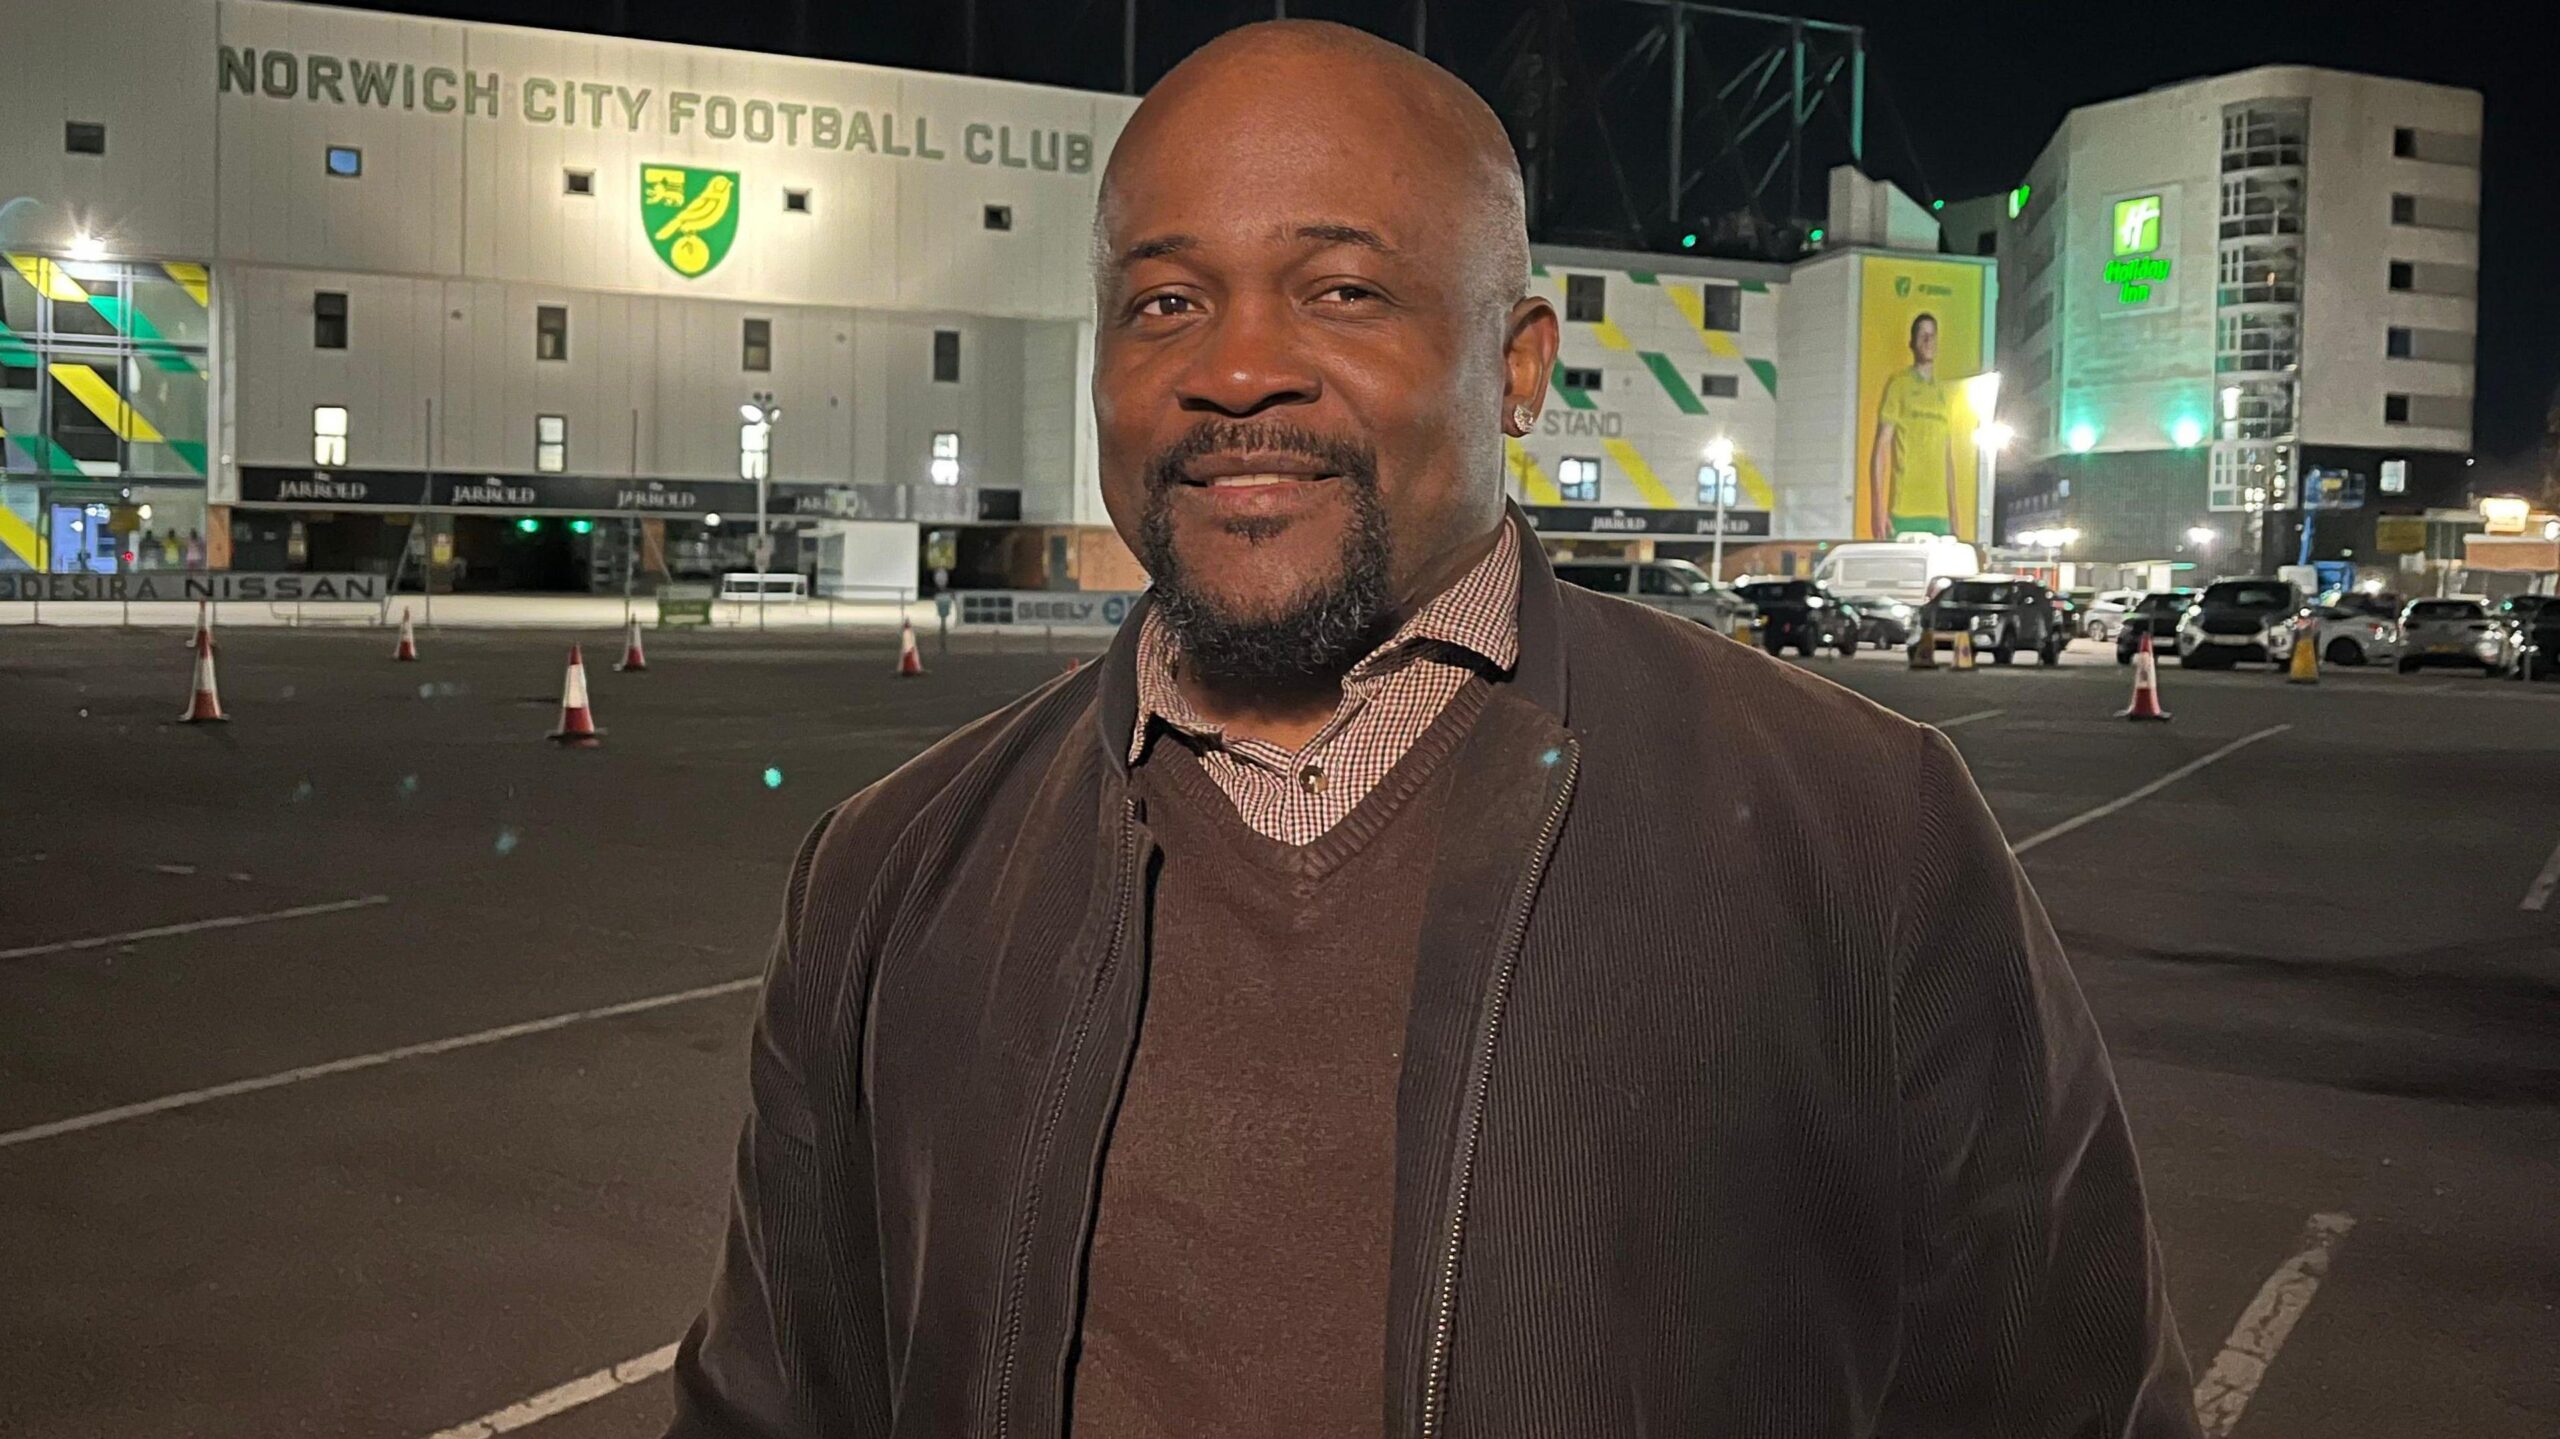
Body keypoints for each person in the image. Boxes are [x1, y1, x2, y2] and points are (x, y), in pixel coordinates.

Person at [669, 21, 2198, 1439]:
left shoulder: (1864, 826)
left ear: (1519, 363)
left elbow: (2069, 1400)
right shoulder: (887, 875)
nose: (1235, 366)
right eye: (1165, 300)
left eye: (1340, 289)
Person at [1869, 311, 1960, 539]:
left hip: (1939, 517)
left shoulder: (1943, 394)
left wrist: (1954, 517)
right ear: (1912, 343)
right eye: (1922, 335)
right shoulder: (1899, 385)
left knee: (1942, 576)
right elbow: (1881, 448)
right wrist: (1878, 509)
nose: (1928, 341)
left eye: (1932, 335)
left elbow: (1948, 459)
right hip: (1904, 512)